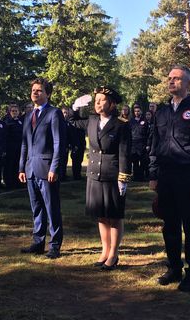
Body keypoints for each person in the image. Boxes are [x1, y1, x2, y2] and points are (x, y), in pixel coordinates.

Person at [148, 66, 190, 291]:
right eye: (169, 78)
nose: (171, 81)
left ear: (187, 83)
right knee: (170, 224)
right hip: (165, 176)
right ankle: (173, 267)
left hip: (187, 176)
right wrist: (153, 173)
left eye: (176, 78)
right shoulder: (162, 112)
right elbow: (155, 145)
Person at [68, 86, 131, 270]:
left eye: (102, 99)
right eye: (96, 99)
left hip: (112, 175)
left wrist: (123, 177)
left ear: (112, 104)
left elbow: (124, 153)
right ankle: (104, 250)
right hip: (94, 173)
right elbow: (71, 121)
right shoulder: (92, 120)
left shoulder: (121, 124)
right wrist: (75, 107)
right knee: (101, 215)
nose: (97, 102)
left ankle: (114, 253)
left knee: (114, 216)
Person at [19, 78, 66, 260]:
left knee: (52, 208)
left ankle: (54, 245)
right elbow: (24, 143)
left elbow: (58, 143)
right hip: (30, 168)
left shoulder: (54, 114)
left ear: (47, 94)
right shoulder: (28, 115)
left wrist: (55, 167)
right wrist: (22, 167)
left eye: (39, 90)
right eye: (33, 89)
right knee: (36, 208)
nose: (34, 93)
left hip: (47, 169)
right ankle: (38, 243)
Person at [129, 104, 149, 181]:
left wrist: (147, 144)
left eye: (138, 111)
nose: (137, 112)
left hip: (142, 144)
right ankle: (136, 177)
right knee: (135, 162)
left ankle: (141, 177)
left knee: (143, 162)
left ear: (141, 111)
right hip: (133, 144)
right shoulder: (131, 121)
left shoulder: (145, 121)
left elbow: (148, 133)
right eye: (135, 111)